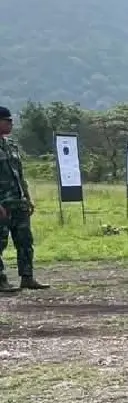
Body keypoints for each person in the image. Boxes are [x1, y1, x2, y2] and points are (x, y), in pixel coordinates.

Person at [0, 105, 49, 292]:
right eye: (7, 120)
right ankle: (1, 280)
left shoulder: (11, 146)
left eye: (11, 121)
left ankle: (27, 277)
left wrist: (27, 197)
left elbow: (20, 175)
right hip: (2, 204)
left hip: (18, 202)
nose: (10, 124)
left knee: (25, 241)